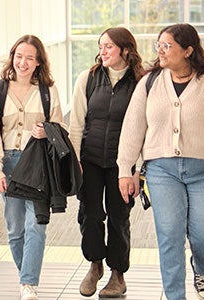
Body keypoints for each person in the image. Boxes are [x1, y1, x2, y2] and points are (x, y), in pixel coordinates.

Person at [116, 23, 204, 300]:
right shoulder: (149, 82)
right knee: (169, 236)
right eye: (158, 45)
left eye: (167, 45)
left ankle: (201, 267)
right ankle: (176, 296)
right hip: (162, 170)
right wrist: (126, 169)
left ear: (188, 50)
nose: (160, 51)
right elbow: (133, 126)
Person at [0, 34, 64, 300]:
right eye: (19, 56)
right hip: (8, 163)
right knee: (15, 229)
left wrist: (46, 132)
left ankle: (29, 283)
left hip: (37, 165)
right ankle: (24, 279)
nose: (23, 62)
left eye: (30, 57)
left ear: (39, 61)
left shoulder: (47, 90)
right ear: (12, 57)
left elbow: (59, 127)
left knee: (36, 225)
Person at [68, 27, 145, 298]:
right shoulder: (87, 78)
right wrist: (75, 159)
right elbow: (76, 123)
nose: (102, 51)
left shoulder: (140, 81)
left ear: (125, 49)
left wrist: (138, 169)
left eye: (108, 47)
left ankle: (117, 274)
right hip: (89, 159)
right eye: (100, 46)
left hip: (123, 164)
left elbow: (148, 127)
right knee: (90, 215)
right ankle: (95, 264)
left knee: (118, 216)